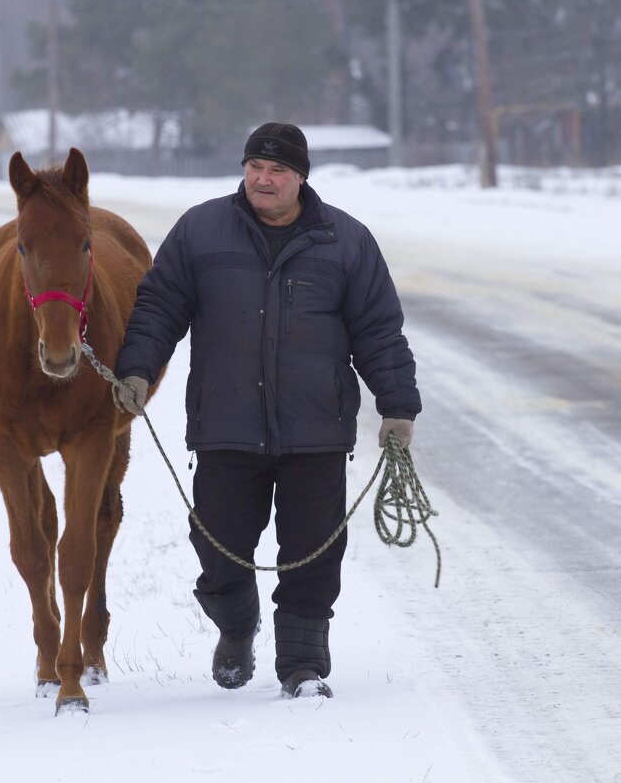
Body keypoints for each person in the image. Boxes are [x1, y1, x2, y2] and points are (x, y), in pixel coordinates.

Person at [113, 122, 421, 698]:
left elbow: (379, 330)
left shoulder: (346, 242)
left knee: (312, 553)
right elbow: (157, 306)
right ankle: (236, 626)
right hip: (225, 423)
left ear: (301, 177)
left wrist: (397, 405)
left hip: (316, 429)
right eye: (255, 166)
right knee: (217, 544)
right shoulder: (200, 231)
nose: (263, 179)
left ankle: (302, 669)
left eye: (278, 170)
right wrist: (137, 367)